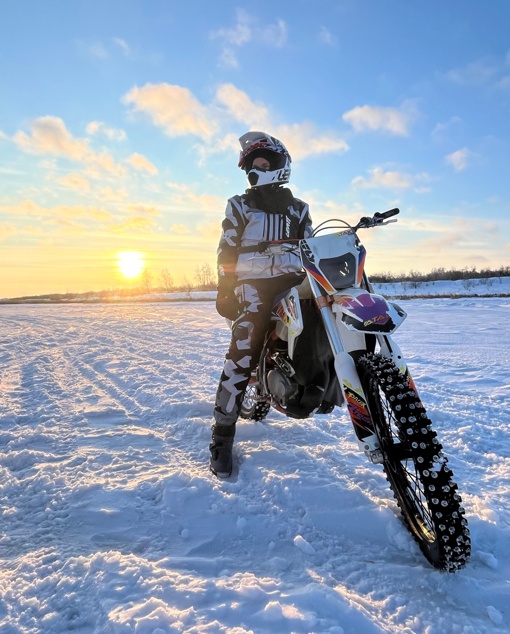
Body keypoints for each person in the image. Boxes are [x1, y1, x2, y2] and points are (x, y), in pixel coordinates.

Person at [210, 131, 313, 478]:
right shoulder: (239, 205)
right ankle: (222, 437)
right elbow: (226, 247)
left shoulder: (299, 209)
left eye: (261, 163)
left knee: (320, 315)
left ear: (279, 164)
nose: (255, 170)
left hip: (292, 281)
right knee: (244, 344)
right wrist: (226, 288)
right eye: (251, 166)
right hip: (252, 286)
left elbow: (312, 249)